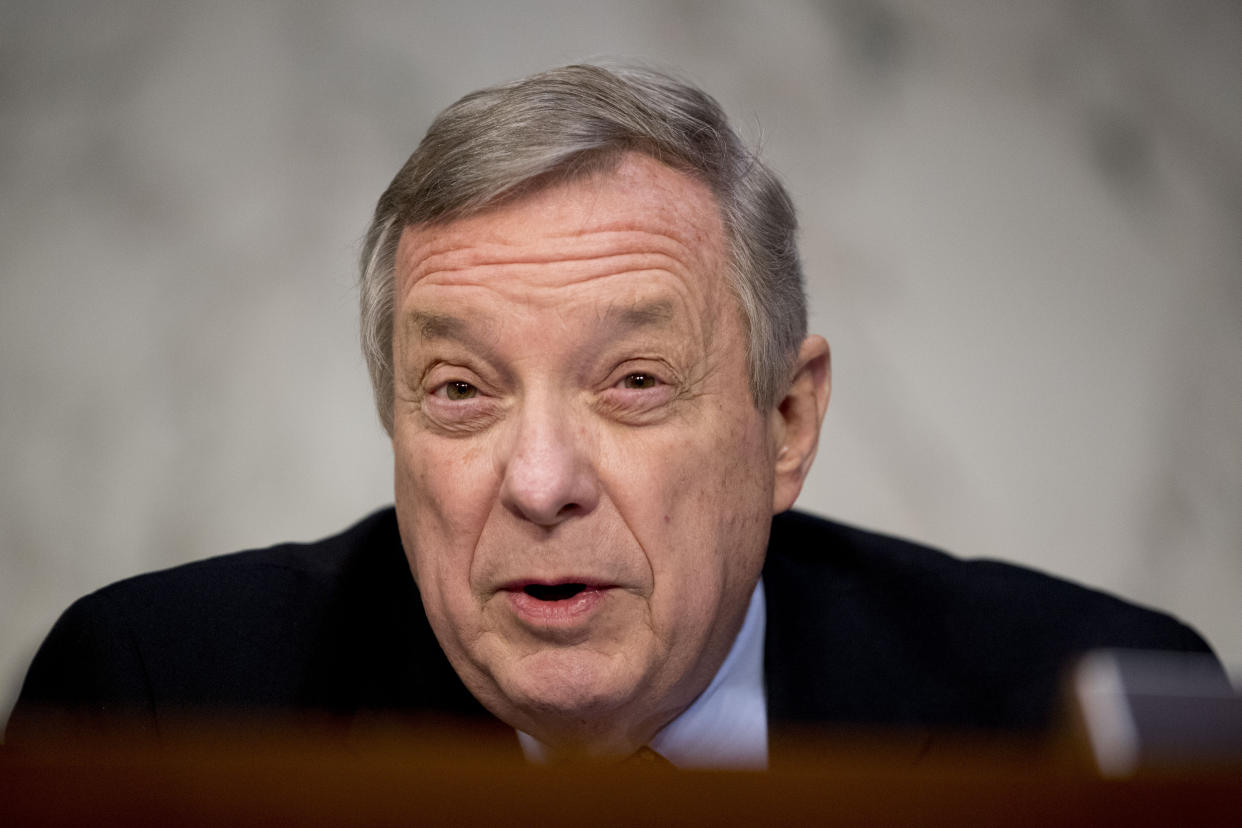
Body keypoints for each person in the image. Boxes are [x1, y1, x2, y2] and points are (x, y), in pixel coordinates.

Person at [7, 64, 1215, 767]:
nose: (540, 483)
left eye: (634, 382)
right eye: (461, 392)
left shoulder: (1070, 716)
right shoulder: (161, 707)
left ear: (786, 422)